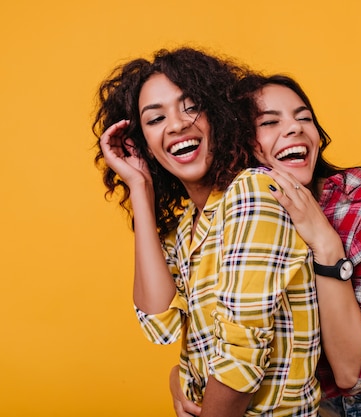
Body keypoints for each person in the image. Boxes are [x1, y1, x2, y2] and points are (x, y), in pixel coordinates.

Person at [170, 74, 361, 417]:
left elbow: (352, 372)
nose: (295, 129)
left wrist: (324, 242)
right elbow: (213, 328)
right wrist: (178, 379)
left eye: (304, 117)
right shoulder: (242, 213)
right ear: (241, 142)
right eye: (270, 122)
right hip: (309, 407)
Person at [93, 48, 321, 416]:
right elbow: (159, 322)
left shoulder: (254, 192)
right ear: (146, 146)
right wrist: (139, 186)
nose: (177, 125)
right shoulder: (186, 226)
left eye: (191, 106)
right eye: (155, 119)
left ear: (219, 114)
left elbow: (240, 358)